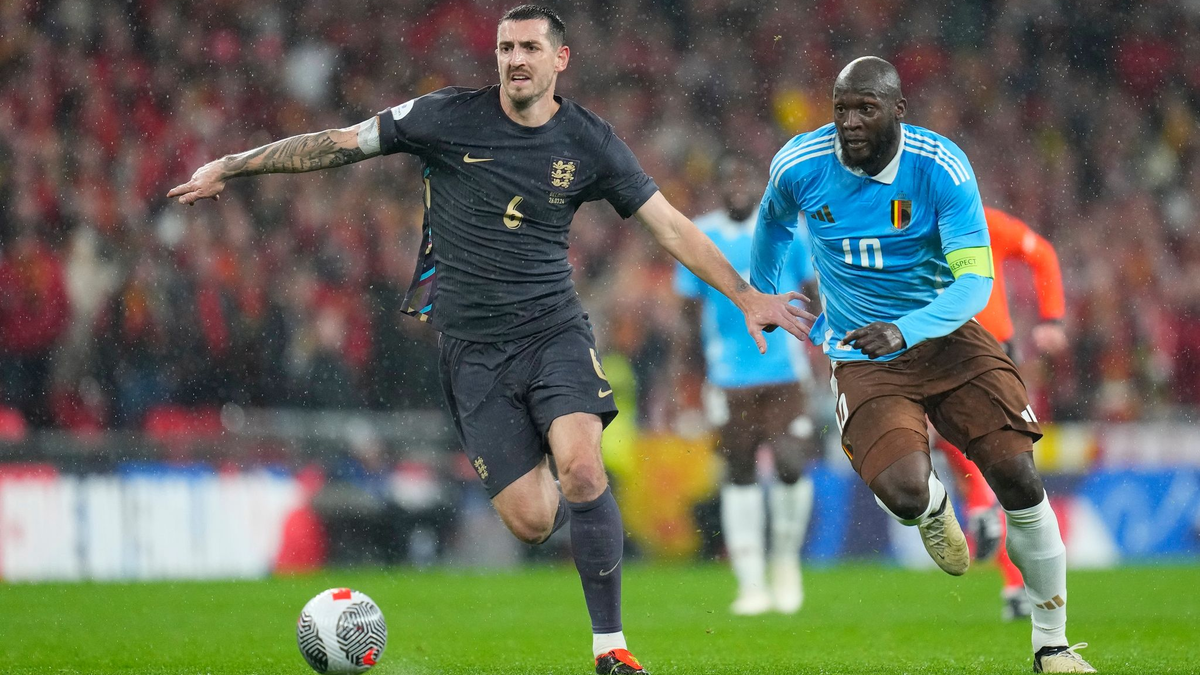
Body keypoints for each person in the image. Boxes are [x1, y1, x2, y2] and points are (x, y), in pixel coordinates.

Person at [168, 6, 813, 674]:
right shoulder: (444, 117)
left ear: (560, 59)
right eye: (506, 48)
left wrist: (745, 295)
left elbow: (670, 225)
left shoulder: (588, 139)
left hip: (554, 330)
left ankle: (611, 647)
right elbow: (339, 142)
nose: (516, 60)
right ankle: (577, 496)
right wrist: (234, 165)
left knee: (583, 466)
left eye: (530, 47)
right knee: (531, 521)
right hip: (472, 350)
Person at [750, 57, 1095, 673]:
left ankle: (1052, 645)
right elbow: (773, 223)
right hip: (862, 351)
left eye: (866, 109)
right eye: (841, 109)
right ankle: (933, 510)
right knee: (906, 493)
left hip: (947, 338)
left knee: (1019, 479)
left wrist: (906, 327)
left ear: (898, 111)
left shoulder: (941, 167)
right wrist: (763, 291)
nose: (850, 122)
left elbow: (974, 284)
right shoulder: (800, 164)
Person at [674, 155, 818, 616]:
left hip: (785, 370)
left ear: (759, 185)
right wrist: (688, 380)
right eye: (728, 178)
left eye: (744, 177)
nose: (737, 185)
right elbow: (688, 316)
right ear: (717, 187)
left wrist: (825, 352)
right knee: (739, 472)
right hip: (728, 377)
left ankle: (785, 561)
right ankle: (751, 582)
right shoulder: (701, 235)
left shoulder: (788, 230)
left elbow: (814, 293)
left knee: (791, 463)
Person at [933, 205, 1068, 621]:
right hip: (944, 347)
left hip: (985, 351)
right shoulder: (911, 220)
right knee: (997, 469)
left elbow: (1041, 253)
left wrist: (1053, 317)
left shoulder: (986, 221)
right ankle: (1017, 587)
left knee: (992, 463)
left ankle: (981, 506)